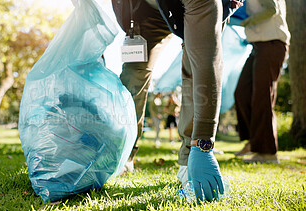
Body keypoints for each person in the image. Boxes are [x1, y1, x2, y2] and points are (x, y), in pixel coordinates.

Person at [112, 0, 243, 202]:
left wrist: (203, 142)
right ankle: (123, 154)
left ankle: (189, 159)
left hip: (198, 6)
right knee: (134, 73)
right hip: (146, 10)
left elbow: (207, 60)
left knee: (194, 65)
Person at [234, 0, 290, 163]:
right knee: (242, 93)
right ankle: (254, 142)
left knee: (262, 96)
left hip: (272, 43)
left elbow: (271, 9)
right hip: (258, 46)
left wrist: (247, 21)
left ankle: (267, 153)